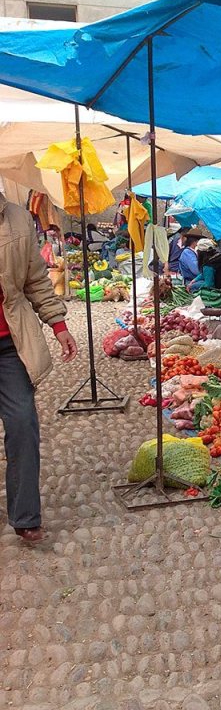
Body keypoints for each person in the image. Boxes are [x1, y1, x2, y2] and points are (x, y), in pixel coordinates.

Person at [0, 193, 78, 542]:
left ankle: (25, 514)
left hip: (10, 342)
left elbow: (34, 278)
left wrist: (58, 326)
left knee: (22, 423)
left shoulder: (16, 217)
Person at [189, 241, 221, 308]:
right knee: (195, 284)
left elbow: (208, 285)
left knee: (194, 287)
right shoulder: (218, 257)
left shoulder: (209, 265)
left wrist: (197, 293)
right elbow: (206, 274)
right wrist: (195, 279)